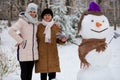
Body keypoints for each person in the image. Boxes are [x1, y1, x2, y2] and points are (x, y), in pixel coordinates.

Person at [8, 3, 39, 80]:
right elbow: (11, 31)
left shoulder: (36, 23)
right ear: (27, 11)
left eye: (34, 12)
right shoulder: (22, 21)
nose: (32, 13)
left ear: (36, 13)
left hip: (33, 53)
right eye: (30, 11)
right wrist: (20, 40)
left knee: (29, 75)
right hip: (24, 51)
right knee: (24, 75)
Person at [35, 8, 67, 80]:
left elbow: (59, 38)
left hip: (52, 54)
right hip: (42, 54)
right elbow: (35, 38)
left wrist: (63, 40)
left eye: (49, 15)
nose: (47, 16)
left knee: (52, 76)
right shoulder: (39, 26)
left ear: (51, 16)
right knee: (43, 75)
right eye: (45, 15)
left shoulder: (55, 26)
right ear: (43, 16)